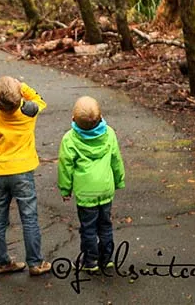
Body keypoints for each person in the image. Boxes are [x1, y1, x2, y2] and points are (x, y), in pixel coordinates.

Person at [0, 76, 52, 276]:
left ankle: (0, 261)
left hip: (1, 172)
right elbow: (40, 101)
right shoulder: (28, 112)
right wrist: (23, 86)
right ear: (19, 97)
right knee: (29, 218)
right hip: (23, 172)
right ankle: (35, 262)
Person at [57, 96, 125, 273]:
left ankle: (90, 261)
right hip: (105, 189)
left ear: (73, 119)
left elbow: (65, 166)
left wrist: (65, 188)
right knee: (105, 225)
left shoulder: (69, 139)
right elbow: (116, 160)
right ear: (101, 116)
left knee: (88, 228)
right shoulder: (109, 133)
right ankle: (107, 258)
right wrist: (119, 180)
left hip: (86, 194)